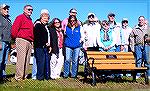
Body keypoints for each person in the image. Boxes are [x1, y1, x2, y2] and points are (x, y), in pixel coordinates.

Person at [11, 5, 34, 81]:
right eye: (29, 9)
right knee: (21, 59)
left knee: (27, 59)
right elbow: (14, 29)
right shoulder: (20, 17)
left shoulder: (30, 19)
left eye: (31, 10)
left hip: (29, 41)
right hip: (21, 39)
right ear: (24, 9)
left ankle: (24, 76)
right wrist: (15, 39)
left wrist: (32, 41)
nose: (30, 11)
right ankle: (19, 77)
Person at [33, 9, 50, 80]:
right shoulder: (38, 25)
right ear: (41, 18)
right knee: (40, 62)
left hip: (44, 47)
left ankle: (44, 76)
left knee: (44, 62)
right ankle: (40, 77)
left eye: (47, 18)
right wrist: (44, 43)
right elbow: (37, 37)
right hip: (39, 46)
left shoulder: (45, 26)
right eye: (44, 18)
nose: (46, 19)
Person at [0, 4, 12, 80]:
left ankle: (3, 75)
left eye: (7, 9)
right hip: (1, 41)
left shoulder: (9, 19)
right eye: (5, 9)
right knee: (0, 59)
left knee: (4, 60)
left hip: (8, 42)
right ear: (1, 9)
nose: (7, 10)